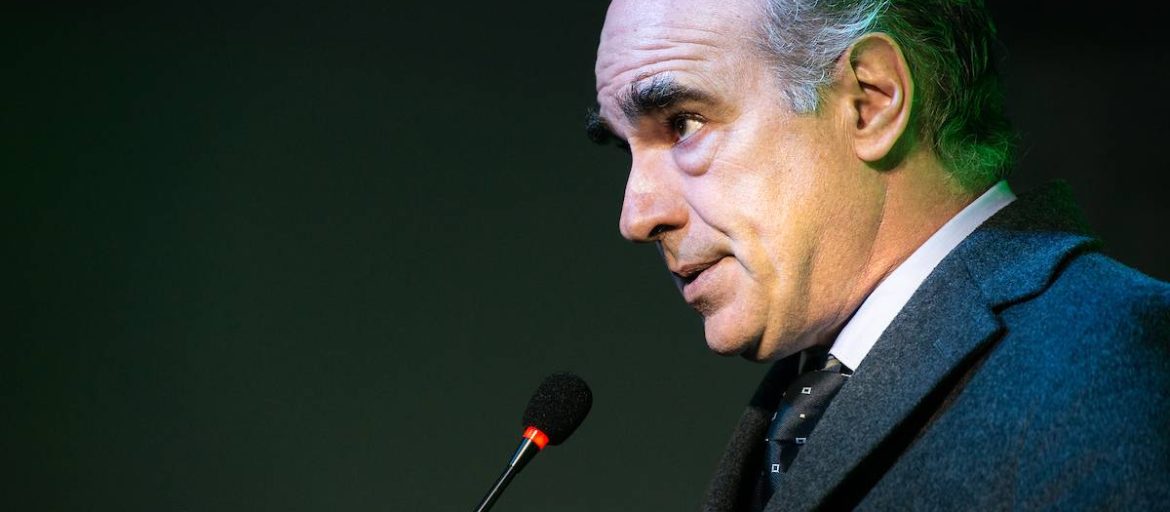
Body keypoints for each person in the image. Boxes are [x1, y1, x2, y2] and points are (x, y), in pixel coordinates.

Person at [587, 0, 1170, 510]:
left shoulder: (1111, 359)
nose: (636, 217)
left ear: (870, 101)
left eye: (684, 124)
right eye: (624, 148)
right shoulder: (806, 395)